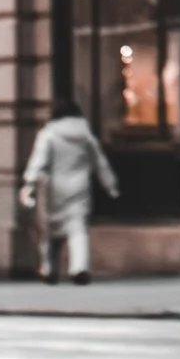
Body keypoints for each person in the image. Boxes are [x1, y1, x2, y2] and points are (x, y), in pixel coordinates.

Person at [19, 98, 121, 283]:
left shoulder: (48, 134)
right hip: (79, 186)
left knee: (51, 231)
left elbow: (39, 160)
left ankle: (49, 268)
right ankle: (79, 267)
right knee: (78, 229)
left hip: (54, 187)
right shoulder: (85, 134)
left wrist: (29, 183)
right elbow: (100, 162)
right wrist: (111, 185)